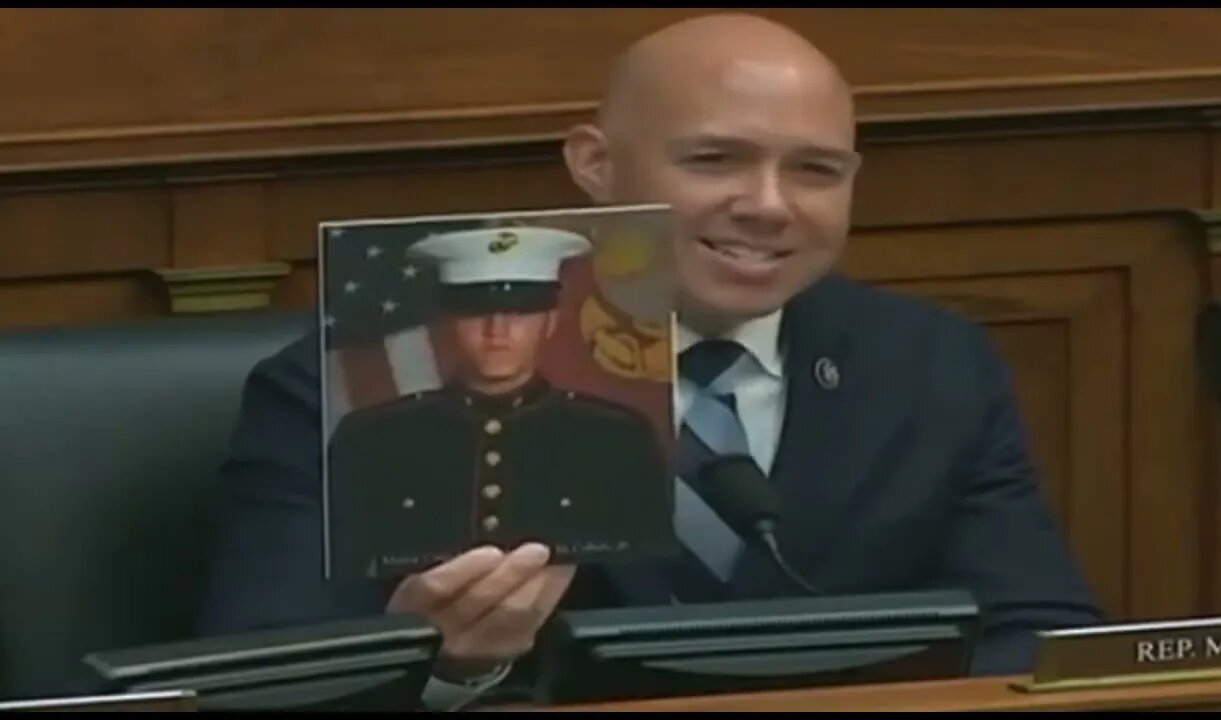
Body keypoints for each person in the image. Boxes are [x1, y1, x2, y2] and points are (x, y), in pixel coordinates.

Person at [197, 11, 1102, 710]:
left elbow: (1039, 632)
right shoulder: (368, 377)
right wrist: (440, 665)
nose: (769, 206)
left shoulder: (932, 363)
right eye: (715, 159)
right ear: (594, 163)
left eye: (817, 172)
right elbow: (257, 671)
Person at [324, 224, 674, 580]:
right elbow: (345, 580)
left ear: (550, 322)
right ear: (449, 323)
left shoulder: (615, 437)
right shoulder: (372, 438)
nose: (497, 330)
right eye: (476, 312)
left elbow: (644, 585)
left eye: (521, 313)